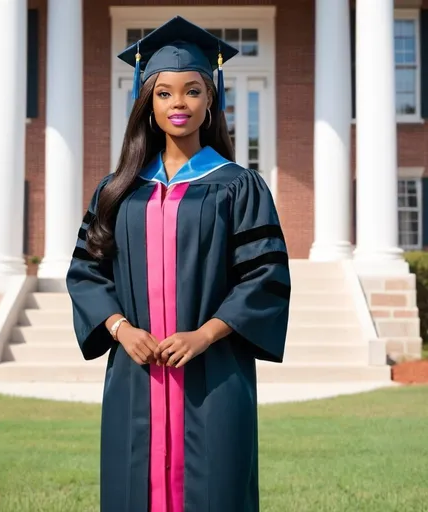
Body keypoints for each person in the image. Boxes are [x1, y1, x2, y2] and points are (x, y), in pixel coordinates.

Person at [66, 15, 290, 512]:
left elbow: (265, 275)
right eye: (164, 93)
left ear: (211, 100)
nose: (179, 104)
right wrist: (122, 330)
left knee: (216, 489)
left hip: (215, 373)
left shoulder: (238, 186)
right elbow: (85, 271)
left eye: (192, 91)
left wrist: (203, 335)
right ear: (147, 104)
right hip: (135, 376)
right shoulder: (116, 191)